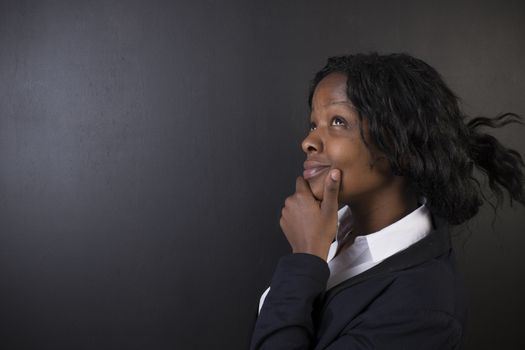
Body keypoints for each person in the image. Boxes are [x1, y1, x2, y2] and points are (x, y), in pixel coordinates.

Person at [249, 52, 524, 349]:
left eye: (338, 122)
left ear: (397, 147)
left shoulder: (424, 311)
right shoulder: (329, 230)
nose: (308, 141)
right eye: (314, 124)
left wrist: (304, 261)